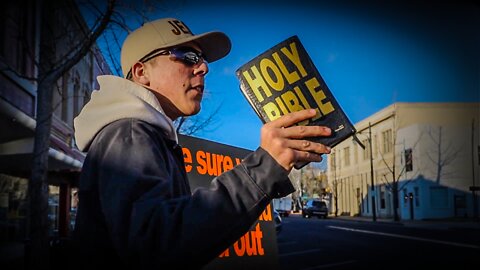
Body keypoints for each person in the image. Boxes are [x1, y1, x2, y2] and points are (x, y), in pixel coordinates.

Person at [72, 17, 332, 269]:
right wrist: (265, 166)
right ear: (142, 72)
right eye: (188, 56)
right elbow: (157, 245)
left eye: (203, 60)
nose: (203, 68)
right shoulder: (128, 133)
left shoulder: (139, 134)